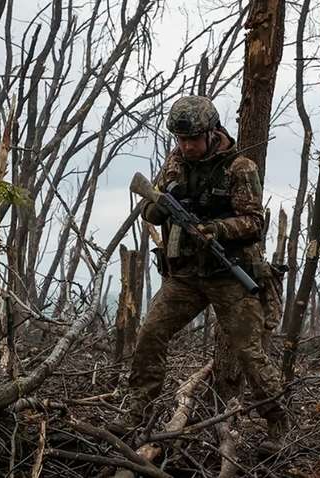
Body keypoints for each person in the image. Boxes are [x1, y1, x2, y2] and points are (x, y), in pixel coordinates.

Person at [109, 95, 287, 454]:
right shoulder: (176, 162)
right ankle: (136, 410)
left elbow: (254, 223)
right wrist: (161, 205)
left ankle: (277, 423)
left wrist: (216, 230)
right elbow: (150, 208)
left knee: (249, 352)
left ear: (211, 132)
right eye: (181, 140)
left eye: (193, 139)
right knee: (150, 333)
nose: (187, 146)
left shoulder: (240, 168)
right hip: (188, 275)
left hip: (231, 274)